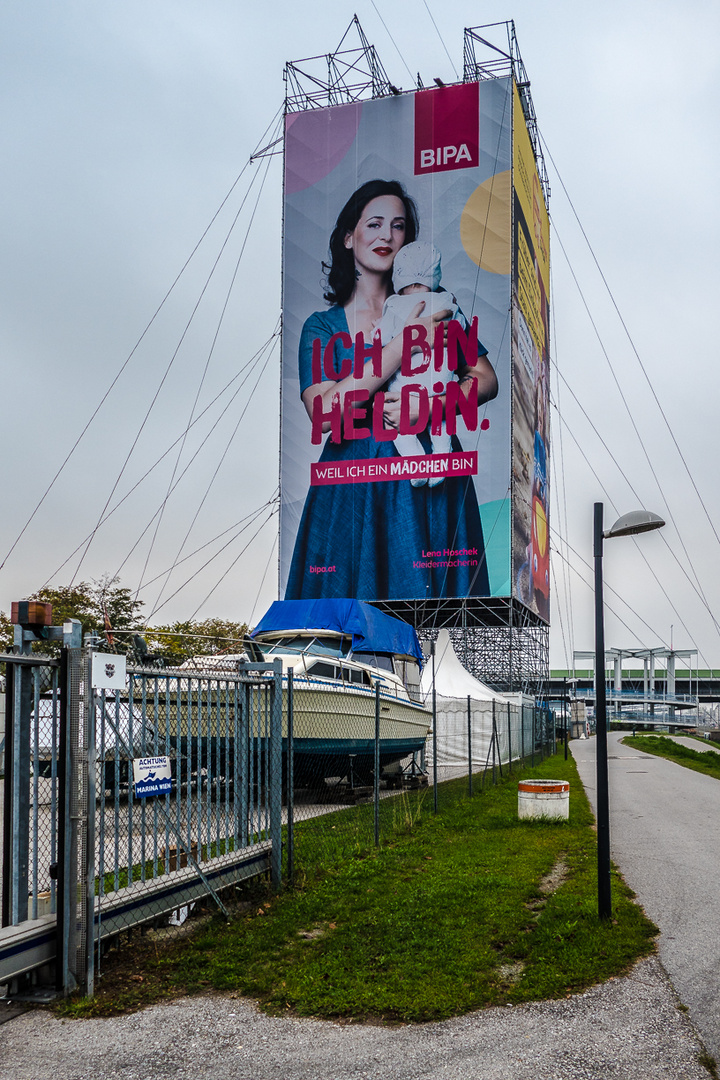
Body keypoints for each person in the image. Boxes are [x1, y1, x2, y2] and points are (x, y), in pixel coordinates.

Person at [285, 178, 498, 601]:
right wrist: (408, 340)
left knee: (427, 623)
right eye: (375, 223)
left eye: (398, 226)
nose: (387, 235)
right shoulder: (322, 326)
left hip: (430, 479)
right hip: (352, 484)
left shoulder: (443, 309)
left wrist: (433, 406)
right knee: (346, 625)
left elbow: (486, 379)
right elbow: (326, 411)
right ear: (349, 236)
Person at [379, 239, 462, 487]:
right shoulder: (448, 302)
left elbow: (380, 340)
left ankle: (415, 460)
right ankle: (441, 458)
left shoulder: (393, 306)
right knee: (442, 423)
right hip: (440, 385)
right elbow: (463, 330)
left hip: (406, 387)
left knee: (396, 423)